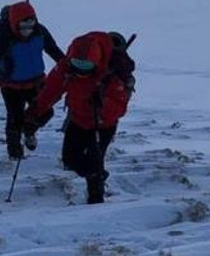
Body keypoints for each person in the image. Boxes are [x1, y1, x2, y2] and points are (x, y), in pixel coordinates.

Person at [26, 31, 135, 204]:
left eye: (86, 66)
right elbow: (50, 90)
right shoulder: (66, 68)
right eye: (77, 64)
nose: (80, 70)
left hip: (102, 124)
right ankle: (97, 175)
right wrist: (34, 112)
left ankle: (96, 199)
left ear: (96, 63)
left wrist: (102, 104)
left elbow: (120, 107)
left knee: (95, 159)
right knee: (70, 159)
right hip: (77, 119)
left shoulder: (111, 73)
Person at [0, 0, 65, 160]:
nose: (27, 31)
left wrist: (67, 66)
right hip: (11, 86)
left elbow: (53, 50)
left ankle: (29, 130)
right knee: (14, 118)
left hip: (37, 82)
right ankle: (15, 153)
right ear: (15, 24)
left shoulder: (40, 32)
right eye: (23, 27)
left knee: (46, 112)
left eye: (31, 25)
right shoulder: (4, 37)